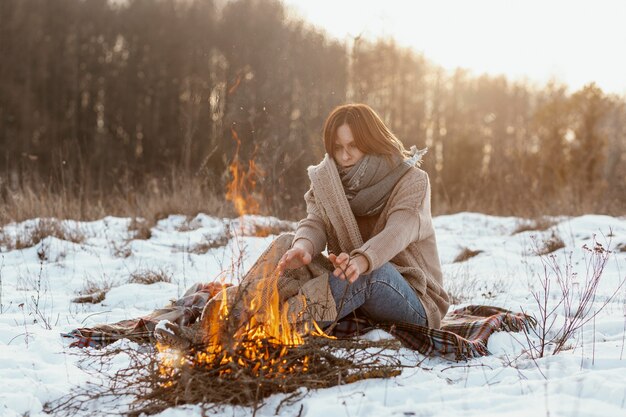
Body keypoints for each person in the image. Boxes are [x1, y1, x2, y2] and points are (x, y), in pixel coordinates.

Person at [273, 103, 450, 331]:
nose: (344, 156)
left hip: (416, 299)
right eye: (337, 148)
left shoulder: (412, 180)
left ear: (372, 142)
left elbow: (398, 231)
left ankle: (280, 325)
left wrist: (362, 260)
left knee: (369, 274)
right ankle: (239, 307)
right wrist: (303, 247)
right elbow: (315, 221)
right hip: (352, 281)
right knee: (286, 244)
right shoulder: (327, 181)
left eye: (353, 146)